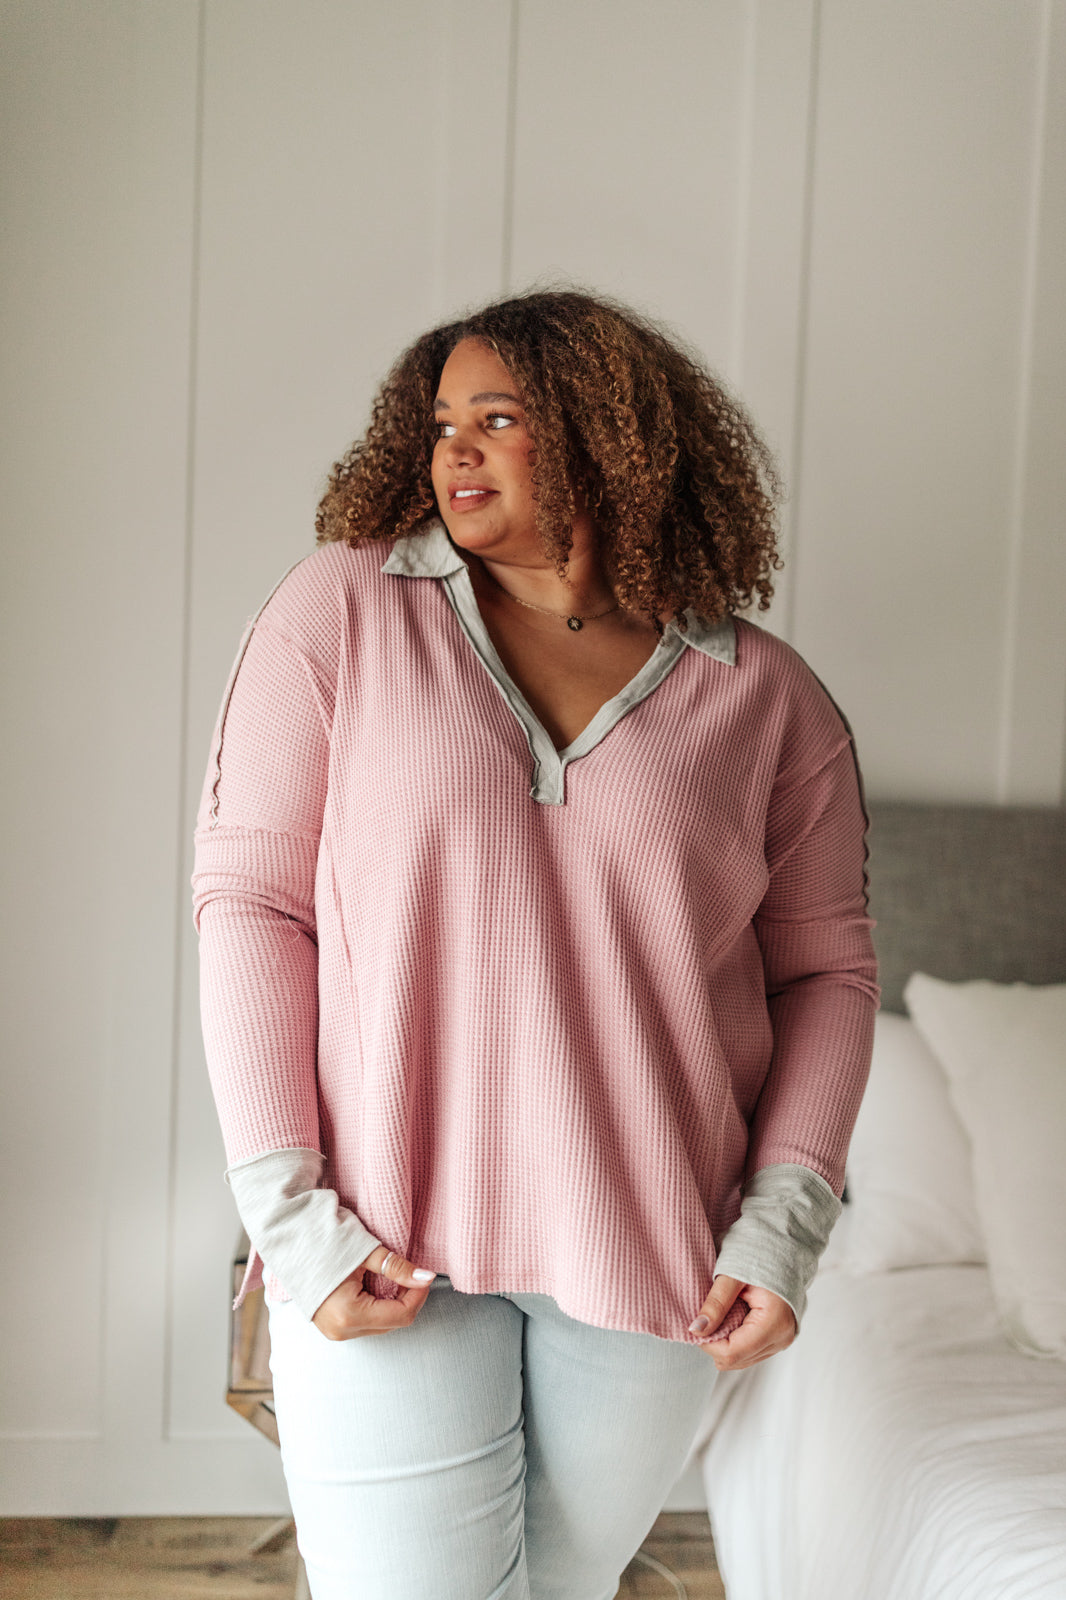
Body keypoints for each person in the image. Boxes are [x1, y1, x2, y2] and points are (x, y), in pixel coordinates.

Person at [192, 287, 878, 1600]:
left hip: (654, 1255)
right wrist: (292, 1218)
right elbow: (251, 908)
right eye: (441, 421)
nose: (454, 449)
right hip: (382, 1242)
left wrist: (782, 1230)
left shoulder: (767, 699)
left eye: (497, 419)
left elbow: (826, 977)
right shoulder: (341, 613)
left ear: (611, 437)